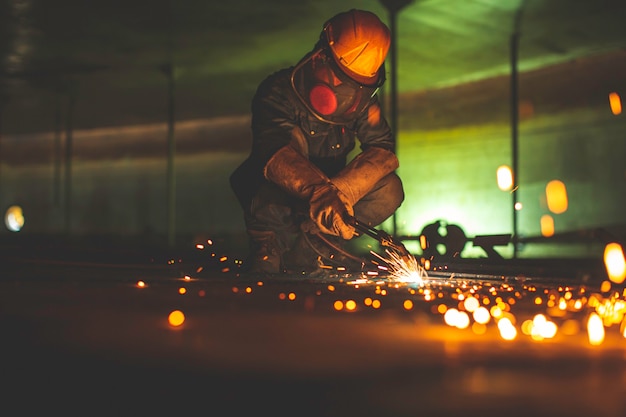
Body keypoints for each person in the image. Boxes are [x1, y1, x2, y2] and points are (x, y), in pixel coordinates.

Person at [230, 9, 404, 274]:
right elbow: (273, 153)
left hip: (328, 199)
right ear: (320, 59)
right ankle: (268, 245)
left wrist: (344, 190)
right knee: (267, 273)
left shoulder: (362, 104)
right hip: (278, 196)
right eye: (343, 81)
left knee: (389, 188)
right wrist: (320, 192)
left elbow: (382, 150)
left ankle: (318, 248)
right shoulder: (277, 91)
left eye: (357, 87)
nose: (348, 96)